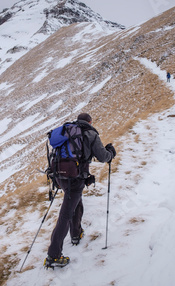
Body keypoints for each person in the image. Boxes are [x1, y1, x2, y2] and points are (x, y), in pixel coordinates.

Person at [44, 113, 116, 268]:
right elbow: (103, 157)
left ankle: (76, 234)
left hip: (59, 177)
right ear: (90, 121)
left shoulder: (66, 131)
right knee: (65, 214)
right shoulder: (90, 133)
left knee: (75, 202)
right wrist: (111, 152)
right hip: (75, 178)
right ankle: (53, 255)